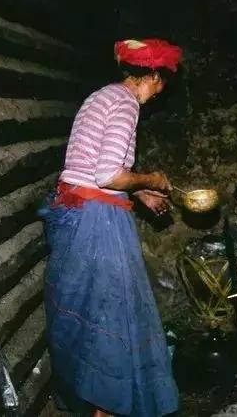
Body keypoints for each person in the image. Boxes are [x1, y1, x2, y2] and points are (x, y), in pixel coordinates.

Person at [38, 39, 183, 416]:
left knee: (87, 311)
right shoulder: (125, 104)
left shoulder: (101, 96)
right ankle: (107, 409)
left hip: (77, 210)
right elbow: (108, 174)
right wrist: (150, 178)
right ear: (152, 76)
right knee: (112, 313)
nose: (160, 91)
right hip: (96, 223)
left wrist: (139, 195)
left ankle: (94, 404)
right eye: (162, 82)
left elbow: (89, 172)